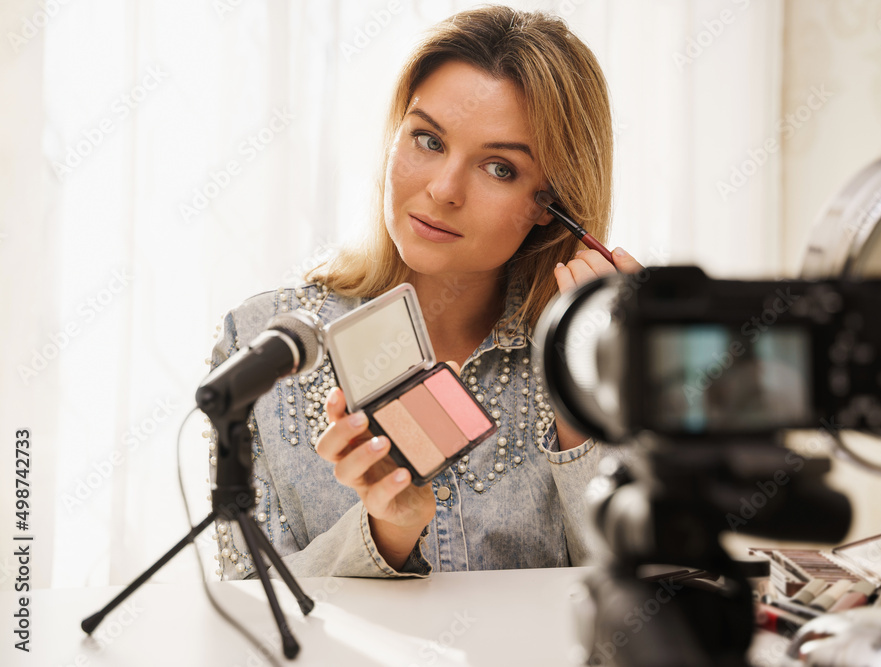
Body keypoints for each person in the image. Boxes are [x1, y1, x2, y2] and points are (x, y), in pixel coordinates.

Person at [209, 5, 642, 580]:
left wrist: (588, 401)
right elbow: (254, 606)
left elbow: (642, 595)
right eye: (428, 140)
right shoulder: (266, 342)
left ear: (552, 207)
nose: (442, 190)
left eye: (500, 168)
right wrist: (385, 534)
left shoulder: (595, 350)